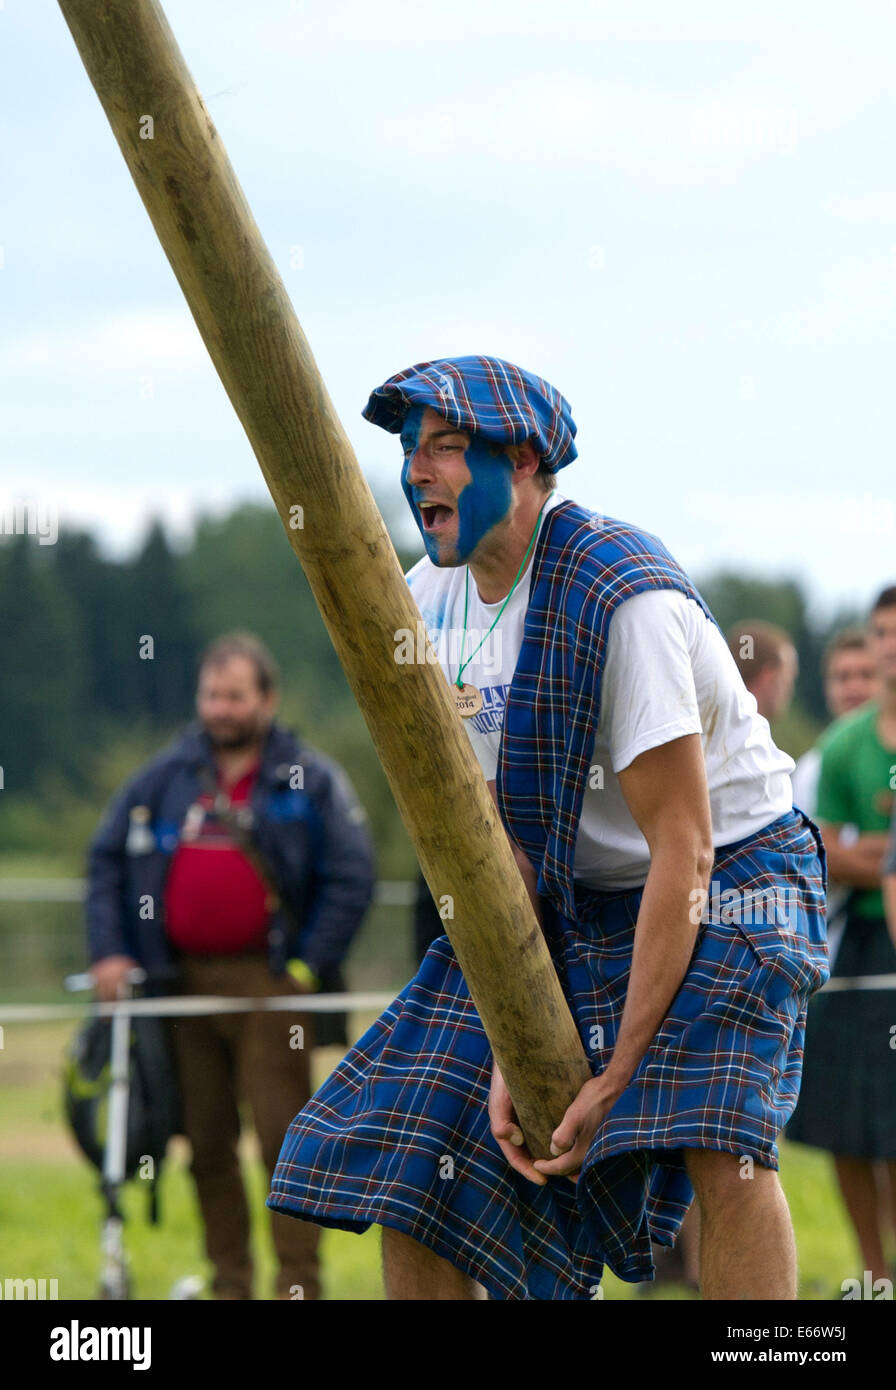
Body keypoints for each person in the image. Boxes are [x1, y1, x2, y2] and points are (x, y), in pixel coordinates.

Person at [268, 355, 828, 1301]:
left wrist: (614, 1076)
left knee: (716, 1141)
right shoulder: (422, 605)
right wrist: (510, 1039)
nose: (416, 472)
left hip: (731, 877)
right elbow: (492, 856)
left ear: (523, 460)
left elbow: (683, 852)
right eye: (410, 452)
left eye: (446, 447)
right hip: (570, 893)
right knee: (415, 1164)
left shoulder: (624, 598)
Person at [86, 631, 375, 1300]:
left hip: (271, 985)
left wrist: (305, 968)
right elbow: (104, 861)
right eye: (211, 695)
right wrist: (111, 951)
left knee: (285, 1142)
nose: (220, 709)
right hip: (178, 985)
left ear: (266, 700)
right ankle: (230, 1286)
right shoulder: (162, 778)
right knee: (207, 1144)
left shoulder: (308, 774)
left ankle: (298, 1286)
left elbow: (352, 874)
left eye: (235, 696)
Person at [786, 588, 896, 1286]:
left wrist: (869, 848)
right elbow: (822, 849)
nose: (888, 645)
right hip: (856, 949)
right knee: (849, 1126)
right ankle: (874, 1271)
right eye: (881, 631)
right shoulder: (846, 745)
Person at [726, 619, 798, 722]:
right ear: (768, 675)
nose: (790, 690)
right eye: (788, 678)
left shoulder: (706, 723)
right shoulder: (755, 735)